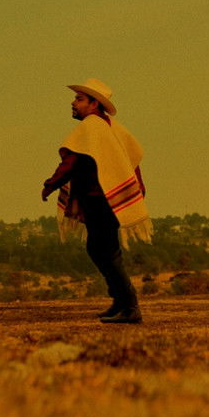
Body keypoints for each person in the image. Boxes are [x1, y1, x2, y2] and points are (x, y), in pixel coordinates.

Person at [41, 78, 152, 323]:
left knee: (105, 252)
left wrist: (50, 185)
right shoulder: (112, 126)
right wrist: (138, 189)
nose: (73, 103)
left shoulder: (91, 127)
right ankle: (120, 302)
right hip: (106, 200)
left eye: (79, 99)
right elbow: (132, 160)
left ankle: (130, 307)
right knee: (102, 250)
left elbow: (71, 161)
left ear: (94, 103)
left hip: (100, 200)